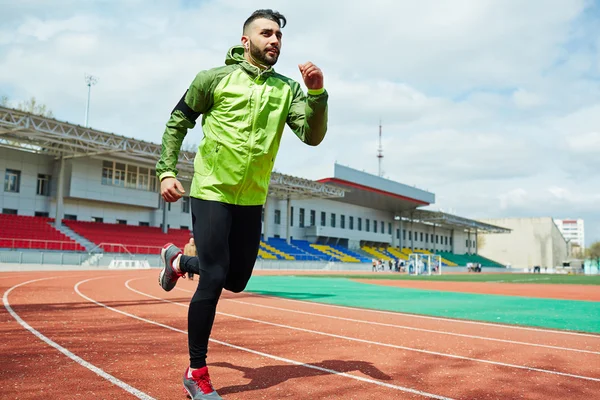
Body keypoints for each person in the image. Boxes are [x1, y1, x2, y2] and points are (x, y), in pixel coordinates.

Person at [155, 9, 328, 400]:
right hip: (212, 189)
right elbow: (177, 121)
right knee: (215, 277)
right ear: (245, 41)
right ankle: (196, 372)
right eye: (267, 33)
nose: (275, 41)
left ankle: (178, 262)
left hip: (252, 197)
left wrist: (317, 94)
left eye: (279, 36)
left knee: (236, 280)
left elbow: (312, 136)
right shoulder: (213, 79)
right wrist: (166, 170)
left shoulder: (287, 89)